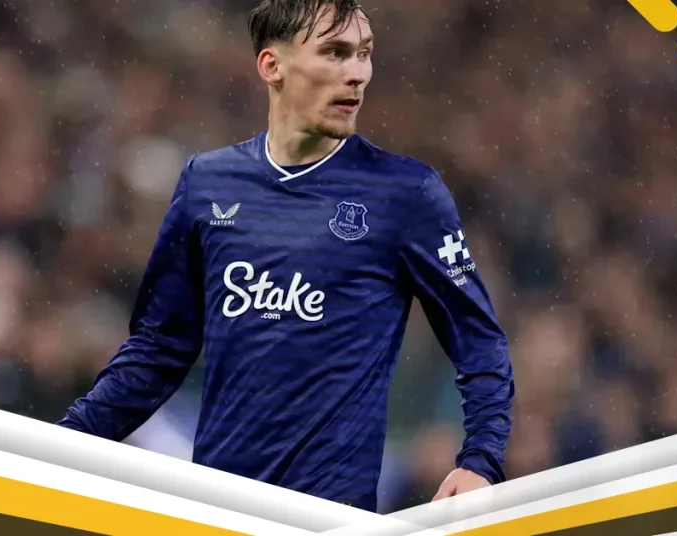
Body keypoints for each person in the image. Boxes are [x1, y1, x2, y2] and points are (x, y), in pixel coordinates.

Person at [57, 0, 515, 512]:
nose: (358, 73)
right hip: (218, 509)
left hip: (330, 516)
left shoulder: (407, 194)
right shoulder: (208, 183)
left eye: (364, 54)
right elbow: (158, 349)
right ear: (272, 65)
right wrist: (68, 440)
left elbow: (479, 340)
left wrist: (481, 460)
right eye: (335, 53)